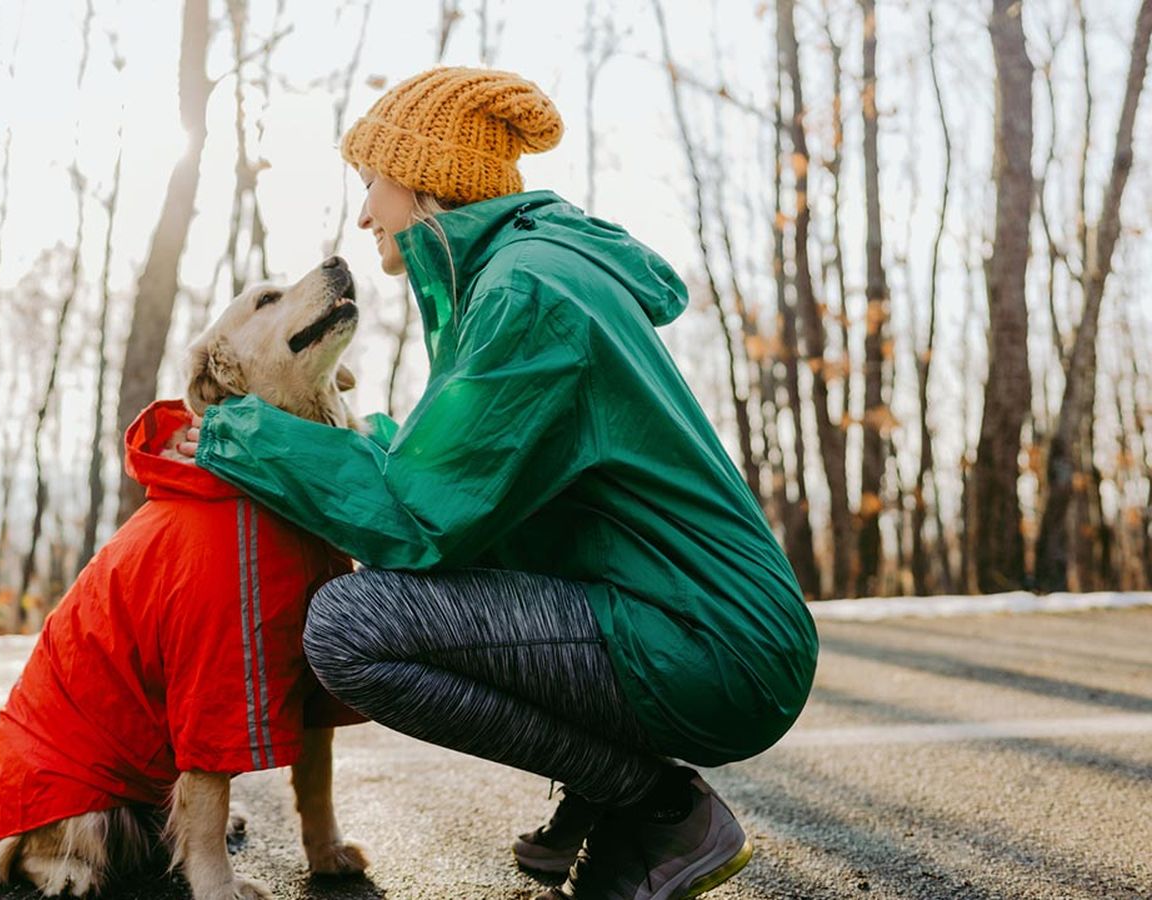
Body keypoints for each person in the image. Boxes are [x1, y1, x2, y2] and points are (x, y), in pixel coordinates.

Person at [176, 66, 818, 900]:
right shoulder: (526, 272)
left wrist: (241, 435)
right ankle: (605, 796)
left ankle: (657, 807)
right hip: (681, 615)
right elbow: (458, 473)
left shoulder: (528, 292)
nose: (364, 212)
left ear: (427, 180)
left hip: (710, 642)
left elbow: (420, 516)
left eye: (373, 184)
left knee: (349, 627)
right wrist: (351, 437)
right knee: (452, 577)